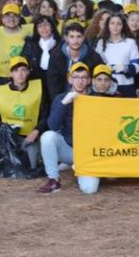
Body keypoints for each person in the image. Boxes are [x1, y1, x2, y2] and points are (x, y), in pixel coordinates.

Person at [37, 62, 99, 194]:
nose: (80, 81)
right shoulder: (61, 98)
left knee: (89, 189)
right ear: (70, 79)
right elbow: (53, 125)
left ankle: (80, 168)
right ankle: (53, 179)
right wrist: (64, 104)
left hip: (89, 152)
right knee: (48, 137)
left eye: (84, 77)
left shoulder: (96, 99)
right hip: (69, 147)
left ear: (88, 80)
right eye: (76, 77)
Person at [0, 56, 50, 169]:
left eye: (23, 70)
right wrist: (5, 130)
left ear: (28, 72)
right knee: (9, 164)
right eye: (16, 71)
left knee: (30, 166)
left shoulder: (38, 90)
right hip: (7, 136)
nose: (20, 74)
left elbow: (45, 115)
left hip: (30, 136)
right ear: (10, 74)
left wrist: (36, 131)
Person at [0, 3, 32, 96]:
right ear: (3, 19)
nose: (11, 19)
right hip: (1, 82)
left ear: (20, 18)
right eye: (8, 16)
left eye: (15, 16)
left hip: (25, 82)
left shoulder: (29, 34)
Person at [46, 23, 104, 101]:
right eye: (72, 37)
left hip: (87, 99)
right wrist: (58, 101)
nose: (75, 40)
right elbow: (52, 81)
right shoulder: (56, 55)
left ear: (83, 38)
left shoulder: (94, 56)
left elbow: (99, 78)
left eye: (79, 36)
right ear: (66, 38)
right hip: (63, 99)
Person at [95, 13, 139, 97]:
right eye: (112, 23)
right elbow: (96, 64)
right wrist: (104, 68)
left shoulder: (130, 43)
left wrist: (125, 68)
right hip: (106, 86)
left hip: (126, 85)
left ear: (123, 26)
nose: (115, 26)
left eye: (118, 24)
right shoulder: (101, 43)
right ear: (108, 25)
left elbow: (137, 66)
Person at [20, 16, 60, 99]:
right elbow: (22, 61)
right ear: (36, 29)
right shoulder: (30, 44)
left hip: (55, 84)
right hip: (34, 82)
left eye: (46, 25)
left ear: (52, 27)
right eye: (40, 26)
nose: (43, 28)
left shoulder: (60, 44)